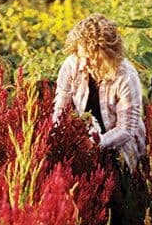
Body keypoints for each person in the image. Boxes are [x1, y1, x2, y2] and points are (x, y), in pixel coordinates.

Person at [51, 13, 146, 171]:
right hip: (86, 143)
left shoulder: (126, 76)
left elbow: (126, 129)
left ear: (108, 54)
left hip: (120, 148)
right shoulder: (71, 65)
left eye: (92, 58)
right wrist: (56, 136)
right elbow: (60, 109)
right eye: (82, 56)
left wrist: (94, 144)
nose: (84, 63)